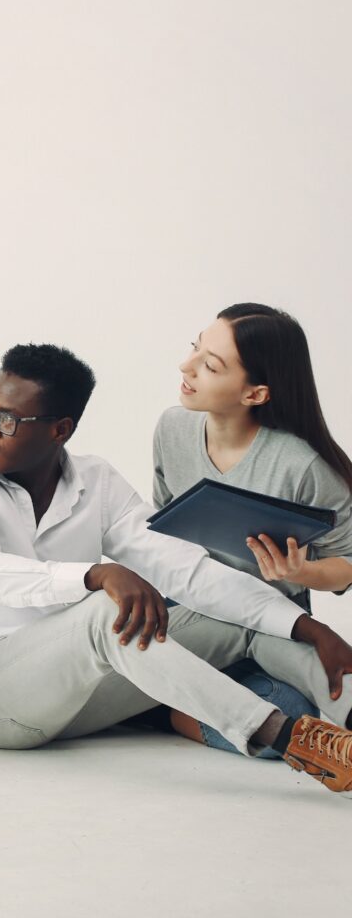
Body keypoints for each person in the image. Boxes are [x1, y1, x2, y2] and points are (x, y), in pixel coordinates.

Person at [0, 342, 352, 796]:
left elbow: (187, 569)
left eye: (7, 420)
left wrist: (306, 626)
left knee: (239, 617)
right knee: (106, 613)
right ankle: (295, 742)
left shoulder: (96, 480)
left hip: (82, 699)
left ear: (60, 430)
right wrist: (97, 574)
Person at [148, 304, 352, 755]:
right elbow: (160, 529)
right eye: (195, 348)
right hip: (188, 612)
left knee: (290, 712)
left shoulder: (303, 467)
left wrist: (302, 574)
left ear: (255, 394)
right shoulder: (173, 428)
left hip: (273, 628)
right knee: (282, 719)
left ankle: (165, 705)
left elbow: (348, 564)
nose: (187, 367)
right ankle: (168, 712)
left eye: (210, 365)